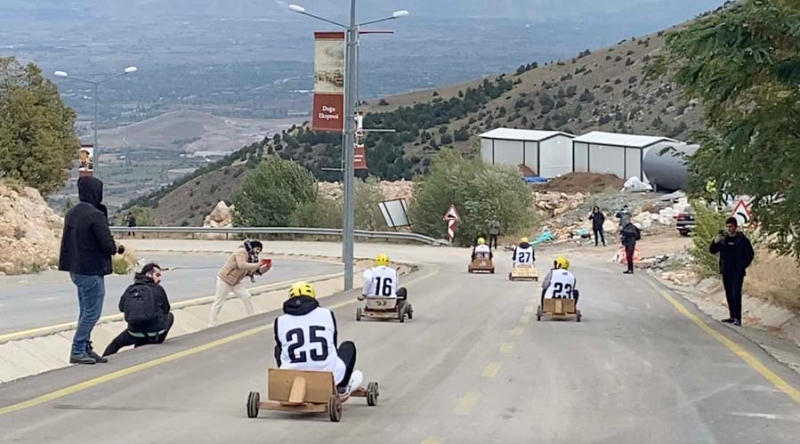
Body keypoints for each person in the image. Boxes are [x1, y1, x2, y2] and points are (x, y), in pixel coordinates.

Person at [59, 176, 123, 365]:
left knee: (84, 310)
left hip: (75, 269)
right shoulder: (95, 215)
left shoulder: (72, 213)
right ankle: (78, 349)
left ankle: (85, 346)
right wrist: (117, 248)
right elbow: (107, 245)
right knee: (92, 313)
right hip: (92, 269)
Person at [274, 282, 362, 397]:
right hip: (328, 377)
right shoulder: (327, 314)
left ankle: (290, 384)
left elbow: (282, 348)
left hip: (293, 378)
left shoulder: (280, 321)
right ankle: (341, 388)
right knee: (348, 346)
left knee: (278, 349)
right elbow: (332, 345)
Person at [103, 263, 173, 357]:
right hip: (154, 335)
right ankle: (154, 341)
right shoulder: (158, 289)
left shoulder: (131, 289)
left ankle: (103, 360)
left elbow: (121, 308)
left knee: (115, 344)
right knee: (170, 316)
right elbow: (166, 309)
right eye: (157, 275)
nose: (160, 279)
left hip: (134, 333)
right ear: (149, 275)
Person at [208, 240, 272, 327]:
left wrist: (266, 267)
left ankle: (252, 317)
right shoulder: (241, 252)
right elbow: (242, 265)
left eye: (259, 250)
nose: (257, 252)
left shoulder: (252, 257)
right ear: (252, 247)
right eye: (257, 249)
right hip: (225, 280)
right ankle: (212, 324)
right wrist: (259, 264)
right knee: (219, 302)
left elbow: (255, 272)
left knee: (246, 296)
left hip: (236, 282)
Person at [709, 217, 754, 326]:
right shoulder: (724, 240)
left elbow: (750, 254)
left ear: (735, 227)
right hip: (726, 271)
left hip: (737, 272)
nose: (729, 229)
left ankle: (738, 318)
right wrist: (715, 242)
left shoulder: (742, 240)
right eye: (727, 227)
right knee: (729, 294)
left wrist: (742, 265)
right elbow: (712, 251)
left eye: (731, 226)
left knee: (736, 294)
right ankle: (732, 316)